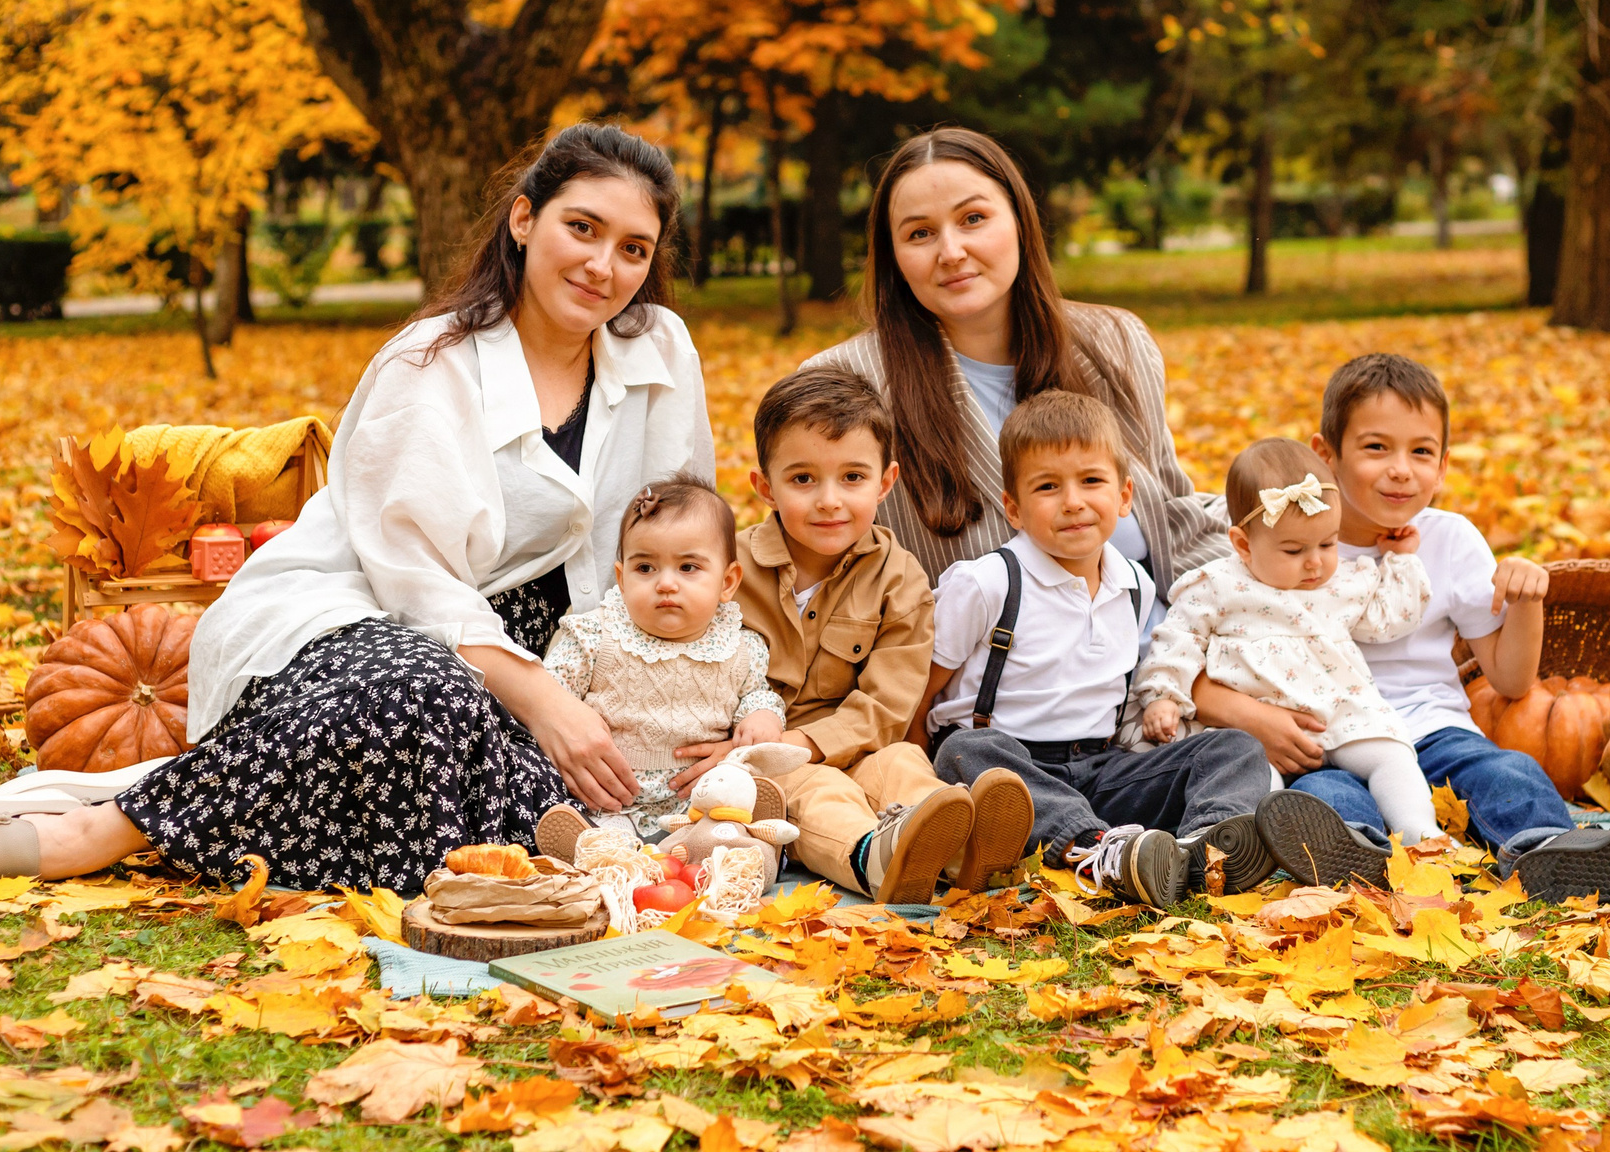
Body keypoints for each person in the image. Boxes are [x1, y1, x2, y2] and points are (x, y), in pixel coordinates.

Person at [0, 125, 712, 891]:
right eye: (583, 228)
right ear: (525, 219)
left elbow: (680, 530)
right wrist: (542, 699)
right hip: (368, 618)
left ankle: (371, 825)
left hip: (561, 646)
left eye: (632, 248)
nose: (603, 265)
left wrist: (658, 681)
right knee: (420, 695)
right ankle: (112, 826)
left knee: (557, 811)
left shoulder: (661, 350)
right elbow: (416, 584)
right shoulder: (431, 367)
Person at [1192, 353, 1610, 902]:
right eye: (1376, 447)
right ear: (1325, 455)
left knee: (1506, 770)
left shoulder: (1450, 539)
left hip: (1432, 728)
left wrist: (1526, 602)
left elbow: (1511, 681)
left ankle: (1551, 852)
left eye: (1421, 452)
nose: (1401, 469)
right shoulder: (1284, 545)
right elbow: (1209, 649)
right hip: (1328, 736)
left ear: (1442, 467)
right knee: (1327, 793)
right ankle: (1358, 858)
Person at [804, 126, 1227, 596]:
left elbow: (1175, 521)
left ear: (1020, 222)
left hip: (1164, 643)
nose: (951, 252)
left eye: (973, 219)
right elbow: (821, 577)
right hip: (982, 664)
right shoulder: (844, 384)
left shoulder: (1117, 342)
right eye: (920, 233)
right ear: (894, 256)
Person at [911, 390, 1280, 908]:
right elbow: (918, 690)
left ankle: (1204, 851)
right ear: (1013, 508)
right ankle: (1100, 850)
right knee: (963, 751)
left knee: (1234, 748)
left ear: (1125, 496)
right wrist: (911, 775)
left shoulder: (1134, 584)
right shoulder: (989, 582)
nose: (1073, 501)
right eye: (1048, 487)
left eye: (1091, 481)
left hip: (1102, 768)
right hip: (1011, 772)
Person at [721, 369, 1033, 903]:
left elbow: (889, 704)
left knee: (903, 765)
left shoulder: (899, 577)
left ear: (885, 482)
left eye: (852, 478)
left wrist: (814, 741)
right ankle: (877, 856)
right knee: (818, 793)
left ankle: (967, 846)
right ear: (764, 487)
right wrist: (770, 746)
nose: (828, 500)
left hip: (864, 742)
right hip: (767, 757)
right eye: (802, 479)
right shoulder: (730, 568)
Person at [1133, 438, 1444, 849]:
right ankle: (1240, 847)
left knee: (1392, 753)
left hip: (1339, 714)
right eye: (1294, 550)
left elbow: (1391, 619)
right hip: (1255, 731)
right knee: (1248, 778)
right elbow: (1178, 639)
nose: (1315, 562)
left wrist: (1401, 559)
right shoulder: (1218, 585)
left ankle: (1423, 834)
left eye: (1328, 544)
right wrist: (1163, 695)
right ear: (1244, 545)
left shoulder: (1344, 582)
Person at [530, 477, 784, 850]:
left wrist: (762, 716)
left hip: (695, 805)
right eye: (645, 568)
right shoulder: (595, 636)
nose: (665, 584)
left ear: (727, 582)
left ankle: (740, 850)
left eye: (688, 568)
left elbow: (756, 695)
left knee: (721, 826)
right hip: (607, 799)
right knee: (600, 835)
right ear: (621, 577)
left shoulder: (739, 647)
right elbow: (552, 698)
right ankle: (592, 850)